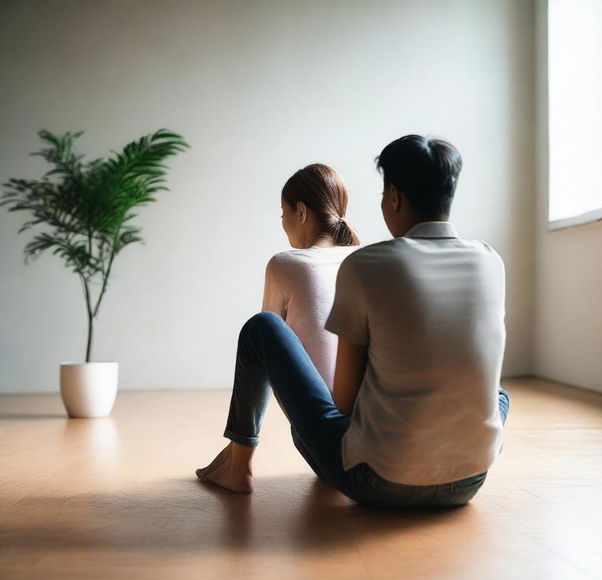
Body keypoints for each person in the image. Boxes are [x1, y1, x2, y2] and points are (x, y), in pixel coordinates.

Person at [196, 135, 509, 508]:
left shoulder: (366, 264)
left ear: (393, 197)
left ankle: (237, 463)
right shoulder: (490, 260)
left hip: (376, 481)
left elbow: (343, 403)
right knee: (498, 394)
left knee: (261, 328)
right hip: (469, 480)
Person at [263, 164, 360, 390]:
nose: (282, 222)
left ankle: (240, 428)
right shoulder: (365, 260)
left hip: (319, 416)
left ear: (301, 212)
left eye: (282, 212)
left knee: (258, 329)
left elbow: (265, 348)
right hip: (370, 412)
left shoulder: (285, 264)